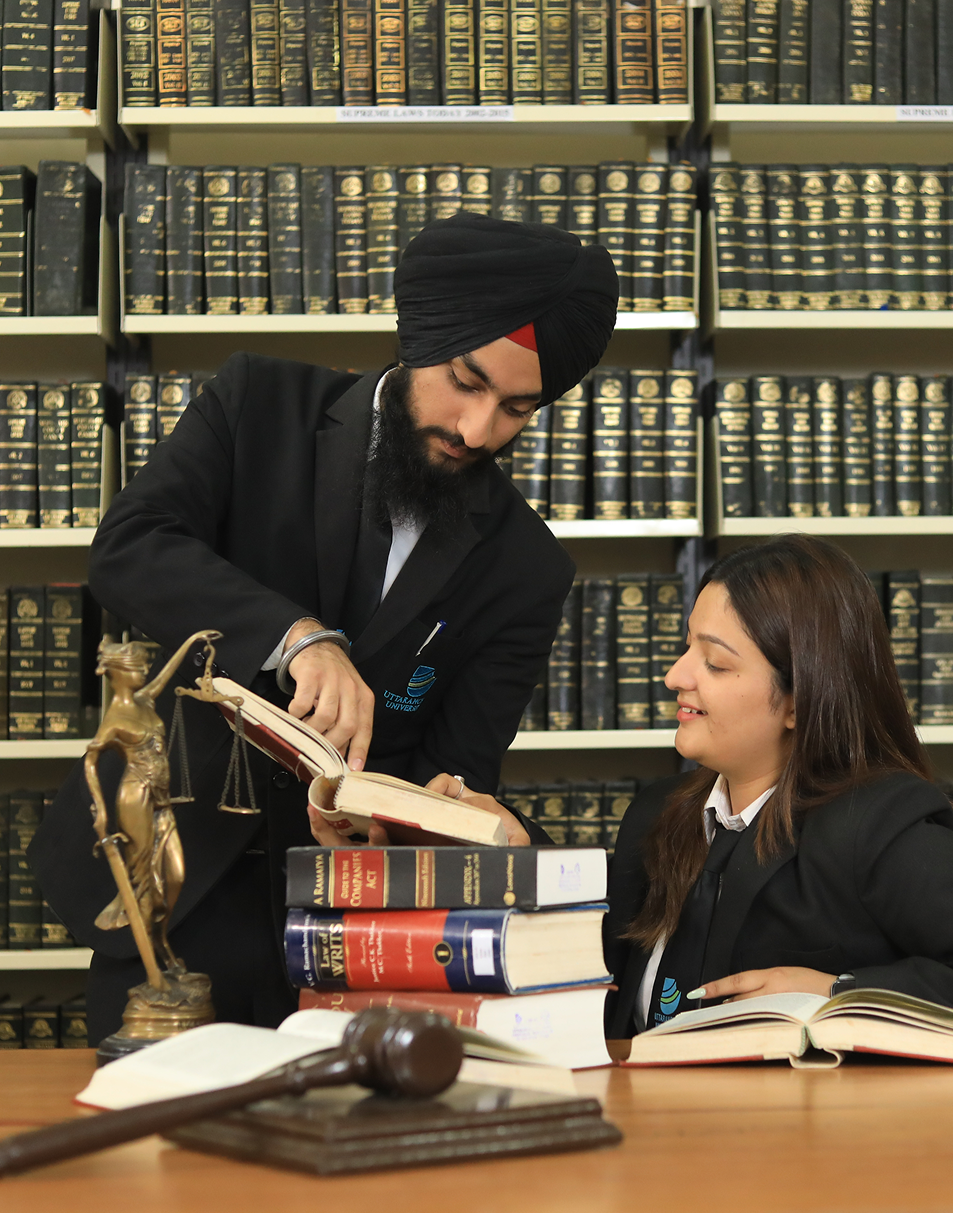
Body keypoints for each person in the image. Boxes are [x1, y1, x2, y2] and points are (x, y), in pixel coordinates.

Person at [29, 213, 618, 1044]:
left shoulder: (527, 568)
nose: (478, 430)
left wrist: (396, 815)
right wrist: (297, 634)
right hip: (172, 891)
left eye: (516, 409)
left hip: (355, 930)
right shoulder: (256, 403)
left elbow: (458, 771)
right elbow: (129, 548)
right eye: (465, 381)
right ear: (421, 338)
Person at [604, 534, 953, 1040]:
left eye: (716, 663)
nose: (673, 676)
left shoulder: (880, 824)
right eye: (686, 647)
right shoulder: (653, 813)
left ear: (798, 700)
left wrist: (839, 993)